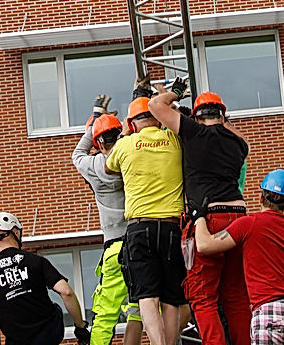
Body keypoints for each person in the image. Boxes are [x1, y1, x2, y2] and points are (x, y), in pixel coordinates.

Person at [149, 87, 251, 345]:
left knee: (203, 297)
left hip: (208, 219)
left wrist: (173, 94)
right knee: (236, 296)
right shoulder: (237, 143)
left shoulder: (194, 132)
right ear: (222, 115)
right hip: (238, 216)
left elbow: (155, 106)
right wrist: (223, 122)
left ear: (196, 117)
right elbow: (245, 141)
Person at [194, 170, 284, 345]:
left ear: (261, 197)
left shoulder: (249, 224)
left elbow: (204, 245)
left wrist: (199, 217)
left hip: (272, 312)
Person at [104, 95, 185, 345]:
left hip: (140, 226)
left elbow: (108, 167)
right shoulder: (174, 139)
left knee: (147, 296)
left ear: (132, 123)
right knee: (172, 299)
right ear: (158, 119)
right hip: (172, 226)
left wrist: (126, 134)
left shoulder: (125, 145)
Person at [71, 95, 143, 345]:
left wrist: (96, 116)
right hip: (139, 241)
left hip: (114, 247)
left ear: (99, 143)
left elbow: (78, 152)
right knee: (139, 309)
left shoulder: (92, 166)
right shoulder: (131, 156)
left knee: (105, 314)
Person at [0, 211, 91, 345]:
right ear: (15, 232)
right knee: (55, 308)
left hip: (16, 342)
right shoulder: (35, 261)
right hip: (48, 336)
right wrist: (80, 327)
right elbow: (66, 292)